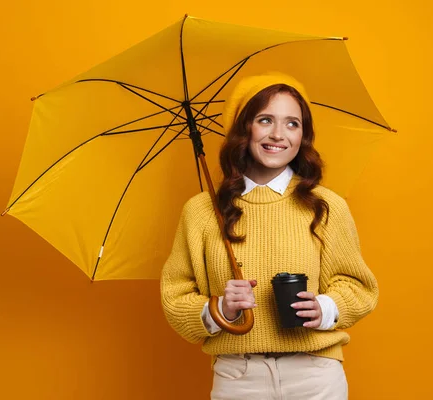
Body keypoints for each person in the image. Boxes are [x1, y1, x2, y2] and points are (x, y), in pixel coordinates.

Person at [160, 72, 378, 399]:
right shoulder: (203, 210)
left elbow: (359, 286)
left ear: (304, 135)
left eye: (293, 123)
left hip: (315, 375)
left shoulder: (326, 205)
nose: (278, 134)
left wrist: (326, 307)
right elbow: (176, 296)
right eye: (265, 120)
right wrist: (221, 309)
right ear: (243, 128)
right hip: (238, 376)